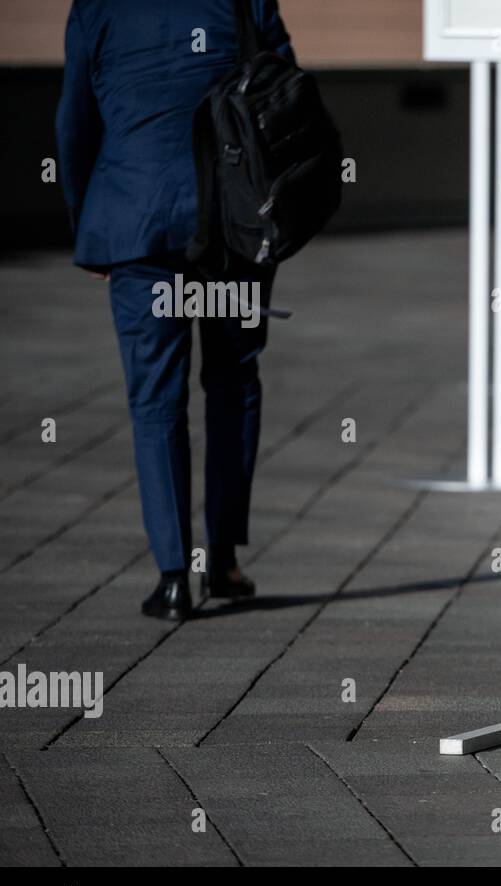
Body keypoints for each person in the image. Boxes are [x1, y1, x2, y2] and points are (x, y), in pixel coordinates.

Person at [57, 0, 296, 621]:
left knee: (155, 402)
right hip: (232, 230)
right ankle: (221, 559)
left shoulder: (96, 12)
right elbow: (284, 97)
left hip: (137, 232)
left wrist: (92, 226)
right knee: (233, 384)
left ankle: (171, 577)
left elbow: (73, 127)